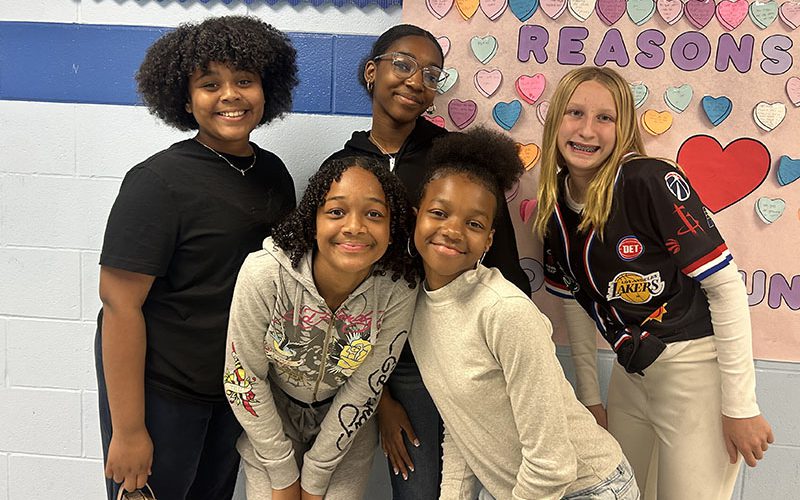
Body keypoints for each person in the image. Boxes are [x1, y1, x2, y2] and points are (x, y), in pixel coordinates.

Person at [533, 66, 773, 499]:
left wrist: (741, 406)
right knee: (621, 491)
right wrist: (590, 400)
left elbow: (726, 287)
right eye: (575, 113)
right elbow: (575, 305)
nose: (587, 129)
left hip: (692, 368)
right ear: (555, 122)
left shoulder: (650, 180)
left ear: (623, 128)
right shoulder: (554, 208)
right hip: (631, 373)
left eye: (605, 117)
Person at [95, 16, 298, 500]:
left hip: (233, 393)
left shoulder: (273, 174)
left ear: (265, 90)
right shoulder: (157, 182)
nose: (230, 95)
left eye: (244, 81)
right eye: (210, 85)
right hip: (163, 394)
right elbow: (119, 306)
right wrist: (128, 431)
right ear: (186, 101)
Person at [328, 24, 531, 499]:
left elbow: (503, 271)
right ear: (371, 71)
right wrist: (380, 401)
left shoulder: (456, 166)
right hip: (377, 366)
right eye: (402, 64)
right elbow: (332, 291)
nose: (415, 80)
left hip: (457, 358)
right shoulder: (341, 168)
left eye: (431, 73)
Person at [408, 126, 637, 500]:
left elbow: (552, 465)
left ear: (489, 240)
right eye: (439, 212)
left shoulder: (504, 312)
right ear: (417, 217)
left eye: (474, 224)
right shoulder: (417, 308)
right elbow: (464, 424)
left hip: (586, 488)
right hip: (520, 488)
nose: (452, 230)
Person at [225, 156, 419, 500]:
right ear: (312, 222)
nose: (355, 226)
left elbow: (366, 385)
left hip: (345, 426)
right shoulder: (264, 274)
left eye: (374, 214)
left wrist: (315, 477)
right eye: (336, 212)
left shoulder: (397, 290)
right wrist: (282, 473)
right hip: (273, 419)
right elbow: (243, 378)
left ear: (394, 228)